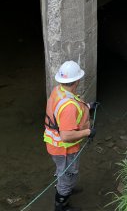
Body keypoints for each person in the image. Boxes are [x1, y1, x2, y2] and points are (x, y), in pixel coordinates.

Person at [43, 60, 97, 211]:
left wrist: (87, 106)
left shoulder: (58, 91)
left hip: (54, 145)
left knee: (64, 172)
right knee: (68, 175)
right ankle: (61, 205)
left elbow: (70, 104)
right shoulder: (68, 107)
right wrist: (88, 132)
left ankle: (66, 188)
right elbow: (66, 136)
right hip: (64, 148)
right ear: (77, 81)